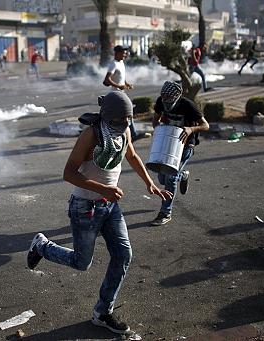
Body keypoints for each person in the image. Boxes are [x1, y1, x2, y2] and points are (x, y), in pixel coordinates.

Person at [27, 91, 172, 335]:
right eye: (120, 121)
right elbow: (69, 173)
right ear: (107, 117)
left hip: (110, 206)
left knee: (123, 255)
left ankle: (103, 312)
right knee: (81, 262)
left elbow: (132, 155)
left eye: (128, 120)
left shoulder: (122, 130)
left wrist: (149, 183)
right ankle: (41, 246)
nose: (125, 125)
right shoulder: (91, 135)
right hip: (85, 207)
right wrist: (103, 188)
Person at [149, 81, 210, 226]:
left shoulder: (187, 105)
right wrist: (159, 128)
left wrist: (190, 129)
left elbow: (206, 125)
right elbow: (155, 120)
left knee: (170, 177)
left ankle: (165, 212)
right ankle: (183, 175)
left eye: (168, 97)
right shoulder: (161, 102)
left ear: (177, 95)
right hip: (168, 142)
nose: (165, 100)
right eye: (163, 96)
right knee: (162, 178)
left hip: (185, 144)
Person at [103, 45, 147, 141]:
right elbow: (107, 79)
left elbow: (121, 76)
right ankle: (131, 134)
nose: (125, 54)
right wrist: (119, 86)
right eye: (123, 53)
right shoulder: (113, 64)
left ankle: (128, 134)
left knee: (124, 113)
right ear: (118, 53)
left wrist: (126, 84)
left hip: (121, 92)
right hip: (116, 94)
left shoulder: (121, 62)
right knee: (127, 110)